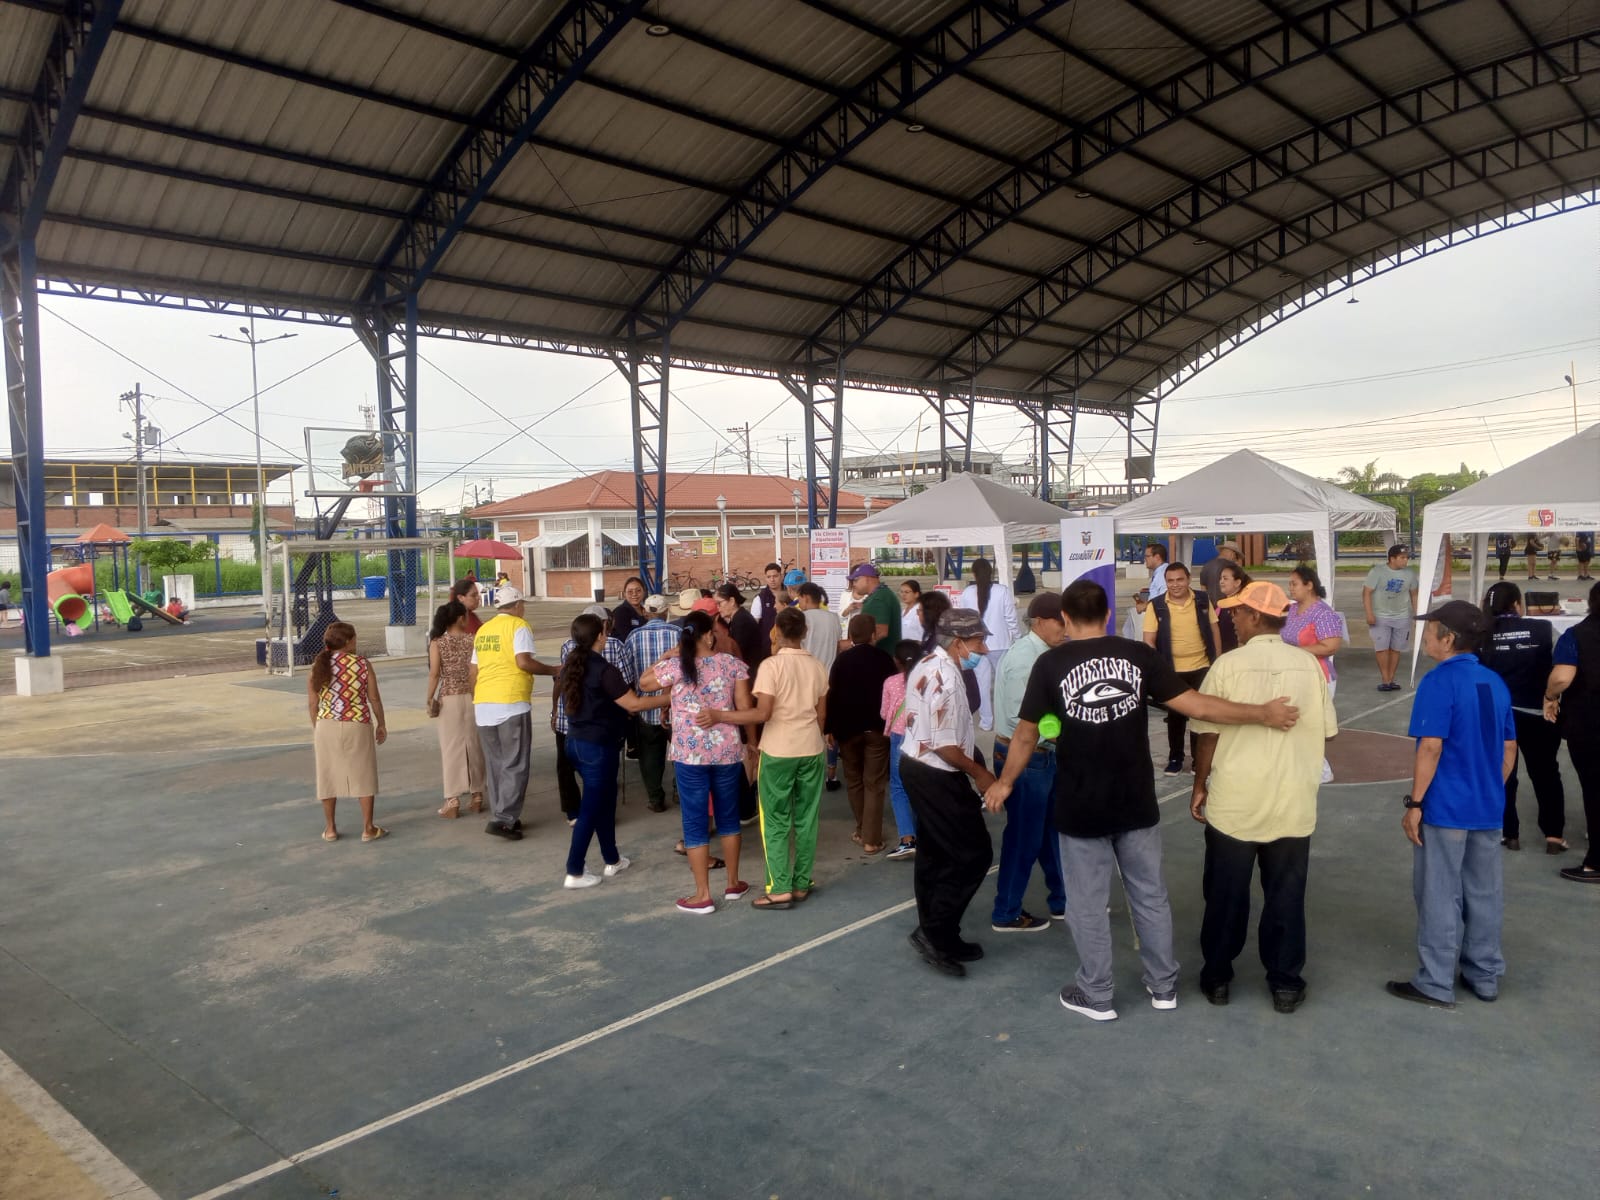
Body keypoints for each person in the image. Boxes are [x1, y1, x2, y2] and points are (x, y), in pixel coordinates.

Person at [983, 580, 1299, 1021]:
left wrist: (1004, 782)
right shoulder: (1138, 655)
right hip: (1135, 801)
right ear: (1108, 615)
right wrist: (1261, 713)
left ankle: (1097, 993)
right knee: (1149, 896)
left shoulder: (1051, 663)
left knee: (1087, 905)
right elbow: (1196, 705)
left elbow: (1024, 734)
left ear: (1067, 619)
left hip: (1081, 805)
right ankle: (1164, 986)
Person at [1189, 582, 1339, 1013]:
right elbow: (1327, 732)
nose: (1232, 619)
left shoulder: (1227, 666)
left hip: (1236, 801)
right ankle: (1286, 982)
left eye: (1237, 613)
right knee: (1286, 895)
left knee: (1225, 895)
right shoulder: (1309, 665)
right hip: (1293, 800)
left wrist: (1200, 784)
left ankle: (1218, 977)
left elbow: (1206, 733)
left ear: (1255, 617)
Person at [1387, 601, 1516, 1008]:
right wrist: (1488, 786)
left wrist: (1416, 803)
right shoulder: (1494, 682)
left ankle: (1436, 980)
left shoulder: (1438, 681)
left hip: (1446, 807)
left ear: (1448, 639)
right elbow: (1509, 748)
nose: (1425, 637)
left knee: (1439, 892)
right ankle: (1484, 974)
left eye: (1430, 631)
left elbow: (1431, 746)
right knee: (1484, 892)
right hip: (1487, 806)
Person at [707, 607, 828, 909]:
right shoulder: (817, 666)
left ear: (776, 632)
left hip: (779, 750)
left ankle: (779, 887)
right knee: (807, 818)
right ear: (805, 632)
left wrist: (720, 715)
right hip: (811, 748)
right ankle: (801, 882)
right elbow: (821, 716)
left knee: (774, 820)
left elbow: (763, 713)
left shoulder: (771, 666)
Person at [900, 608, 997, 976]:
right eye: (978, 641)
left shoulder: (927, 663)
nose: (983, 649)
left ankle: (941, 933)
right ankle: (935, 932)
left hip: (918, 765)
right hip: (936, 772)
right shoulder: (946, 679)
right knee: (973, 854)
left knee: (935, 853)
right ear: (958, 643)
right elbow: (945, 747)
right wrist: (980, 774)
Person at [637, 611, 753, 913]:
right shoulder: (731, 665)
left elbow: (644, 682)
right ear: (709, 635)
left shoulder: (676, 666)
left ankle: (702, 894)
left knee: (694, 821)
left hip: (689, 756)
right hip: (727, 752)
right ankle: (733, 883)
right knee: (728, 817)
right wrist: (747, 739)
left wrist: (667, 655)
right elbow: (745, 710)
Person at [554, 613, 668, 889]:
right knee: (590, 810)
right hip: (597, 746)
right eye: (605, 633)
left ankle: (612, 858)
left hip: (575, 742)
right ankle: (574, 870)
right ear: (600, 637)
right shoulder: (604, 670)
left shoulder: (572, 665)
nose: (607, 637)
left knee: (605, 801)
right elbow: (634, 704)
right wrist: (670, 696)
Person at [987, 592, 1069, 934]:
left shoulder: (1040, 653)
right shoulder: (1027, 659)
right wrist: (1069, 737)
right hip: (1026, 758)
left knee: (1050, 832)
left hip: (1038, 757)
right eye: (1061, 621)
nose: (1066, 628)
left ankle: (1064, 900)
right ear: (1040, 622)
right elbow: (1026, 720)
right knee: (1023, 838)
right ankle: (1006, 911)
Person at [1478, 583, 1565, 853]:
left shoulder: (1481, 635)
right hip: (1538, 713)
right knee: (1546, 773)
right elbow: (1559, 667)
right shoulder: (1543, 628)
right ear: (1517, 604)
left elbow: (1478, 678)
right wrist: (1552, 697)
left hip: (1498, 716)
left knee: (1505, 773)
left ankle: (1510, 833)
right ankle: (1553, 835)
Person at [470, 585, 556, 841]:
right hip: (511, 701)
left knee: (496, 764)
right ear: (518, 605)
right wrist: (553, 670)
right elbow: (523, 662)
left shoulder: (484, 630)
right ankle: (504, 819)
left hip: (483, 704)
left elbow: (473, 671)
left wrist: (478, 697)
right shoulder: (519, 626)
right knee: (515, 763)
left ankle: (501, 814)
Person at [307, 621, 388, 843]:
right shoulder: (362, 664)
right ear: (348, 641)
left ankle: (330, 829)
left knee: (327, 776)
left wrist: (318, 726)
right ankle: (368, 828)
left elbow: (313, 703)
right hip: (357, 723)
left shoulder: (318, 666)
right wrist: (381, 723)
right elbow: (374, 698)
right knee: (364, 774)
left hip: (327, 724)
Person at [553, 604, 631, 827]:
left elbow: (561, 681)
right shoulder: (615, 647)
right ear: (602, 628)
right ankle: (599, 815)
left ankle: (574, 813)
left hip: (570, 719)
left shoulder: (567, 647)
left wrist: (554, 709)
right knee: (601, 775)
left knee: (566, 767)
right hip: (600, 725)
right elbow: (627, 683)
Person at [826, 613, 898, 855]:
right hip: (877, 730)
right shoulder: (885, 659)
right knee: (874, 783)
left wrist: (828, 728)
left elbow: (832, 695)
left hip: (847, 731)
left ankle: (861, 829)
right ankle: (871, 839)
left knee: (854, 781)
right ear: (874, 635)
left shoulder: (841, 661)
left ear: (850, 636)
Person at [1543, 580, 1600, 884]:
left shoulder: (1577, 635)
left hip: (1589, 724)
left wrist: (1550, 697)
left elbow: (1562, 678)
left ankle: (1596, 863)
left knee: (1595, 790)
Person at [1143, 561, 1220, 775]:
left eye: (1180, 580)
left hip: (1202, 667)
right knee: (1175, 717)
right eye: (1170, 581)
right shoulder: (1156, 605)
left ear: (1188, 580)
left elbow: (1214, 630)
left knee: (1200, 717)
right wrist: (1158, 669)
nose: (1175, 585)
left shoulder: (1202, 600)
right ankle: (1175, 758)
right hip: (1172, 670)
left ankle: (1198, 760)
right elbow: (1149, 639)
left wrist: (1218, 661)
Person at [1283, 565, 1343, 784]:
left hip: (1318, 676)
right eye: (1290, 584)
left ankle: (1322, 771)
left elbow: (1331, 646)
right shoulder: (1292, 610)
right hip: (1296, 675)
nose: (1290, 588)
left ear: (1309, 585)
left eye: (1294, 584)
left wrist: (1296, 652)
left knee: (1311, 724)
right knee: (1297, 723)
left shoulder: (1323, 613)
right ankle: (1307, 767)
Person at [425, 599, 485, 820]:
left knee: (452, 748)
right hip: (473, 696)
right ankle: (477, 795)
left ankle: (452, 800)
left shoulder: (437, 642)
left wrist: (429, 698)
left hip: (449, 699)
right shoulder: (473, 639)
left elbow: (434, 674)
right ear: (461, 619)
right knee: (474, 745)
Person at [624, 593, 681, 813]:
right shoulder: (677, 633)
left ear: (645, 612)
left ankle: (655, 798)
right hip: (675, 706)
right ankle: (679, 791)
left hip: (646, 707)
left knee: (650, 755)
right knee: (679, 752)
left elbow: (628, 673)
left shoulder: (633, 636)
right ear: (666, 612)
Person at [959, 557, 1021, 731]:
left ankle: (986, 722)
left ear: (973, 573)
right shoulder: (1002, 591)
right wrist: (1017, 638)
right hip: (1000, 644)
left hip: (975, 645)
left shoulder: (967, 592)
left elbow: (963, 620)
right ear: (991, 572)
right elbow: (1011, 618)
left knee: (982, 685)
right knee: (1004, 685)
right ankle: (1006, 721)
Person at [880, 638, 922, 862]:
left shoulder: (891, 682)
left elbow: (884, 713)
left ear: (896, 661)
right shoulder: (926, 680)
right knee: (921, 784)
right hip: (922, 737)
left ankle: (907, 840)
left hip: (899, 738)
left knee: (898, 787)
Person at [1363, 543, 1419, 693]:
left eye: (1406, 558)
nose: (1405, 560)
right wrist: (1369, 613)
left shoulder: (1410, 573)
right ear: (1392, 559)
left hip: (1402, 616)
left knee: (1396, 648)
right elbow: (1366, 592)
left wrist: (1417, 615)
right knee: (1382, 648)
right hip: (1380, 616)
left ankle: (1391, 678)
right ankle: (1385, 679)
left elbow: (1414, 594)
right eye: (1402, 557)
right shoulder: (1377, 571)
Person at [841, 562, 901, 654]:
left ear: (867, 578)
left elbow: (881, 632)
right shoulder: (880, 595)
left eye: (856, 580)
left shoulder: (878, 598)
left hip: (881, 657)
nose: (853, 584)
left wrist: (854, 645)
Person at [714, 584, 766, 670]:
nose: (718, 608)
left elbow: (736, 651)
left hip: (749, 671)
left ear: (732, 601)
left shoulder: (742, 621)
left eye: (719, 603)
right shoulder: (739, 617)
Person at [1214, 564, 1252, 652]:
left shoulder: (1241, 606)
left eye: (1225, 579)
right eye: (1220, 578)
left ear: (1237, 582)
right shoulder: (1222, 603)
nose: (1221, 582)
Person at [749, 563, 788, 641]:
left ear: (781, 576)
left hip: (789, 642)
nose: (772, 580)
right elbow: (753, 625)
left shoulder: (789, 594)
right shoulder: (759, 598)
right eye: (769, 577)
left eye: (775, 576)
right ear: (765, 578)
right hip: (768, 644)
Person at [611, 576, 648, 644]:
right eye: (630, 591)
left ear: (644, 592)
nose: (634, 594)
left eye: (638, 590)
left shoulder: (647, 611)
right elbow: (626, 638)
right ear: (624, 594)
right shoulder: (620, 612)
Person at [899, 579, 924, 645]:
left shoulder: (920, 610)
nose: (903, 595)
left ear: (916, 594)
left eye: (907, 592)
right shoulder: (903, 611)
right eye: (901, 592)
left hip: (916, 647)